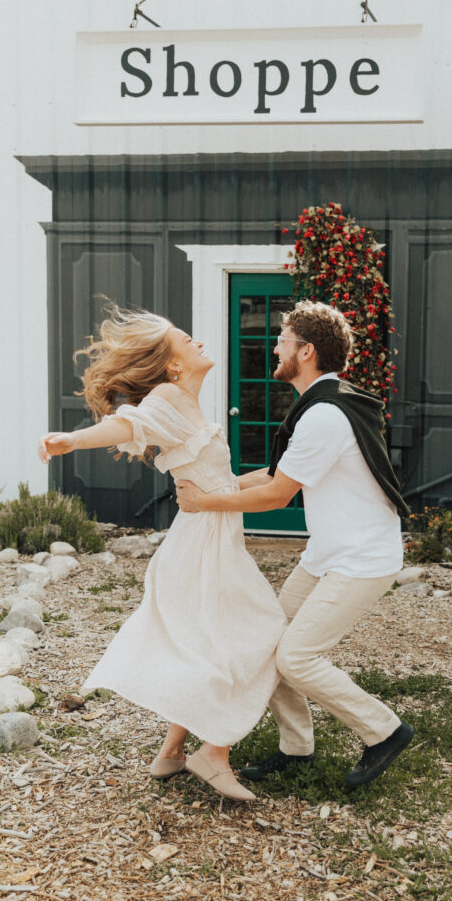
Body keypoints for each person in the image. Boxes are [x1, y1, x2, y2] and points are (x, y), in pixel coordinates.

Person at [38, 304, 286, 802]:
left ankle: (172, 751)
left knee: (207, 643)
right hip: (201, 549)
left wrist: (281, 476)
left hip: (212, 542)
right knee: (257, 635)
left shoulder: (191, 407)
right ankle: (213, 754)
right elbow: (126, 426)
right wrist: (71, 440)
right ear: (173, 366)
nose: (197, 342)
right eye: (186, 340)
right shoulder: (169, 398)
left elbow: (221, 484)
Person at [176, 299, 414, 789]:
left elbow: (280, 493)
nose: (275, 347)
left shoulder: (325, 416)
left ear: (306, 351)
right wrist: (215, 483)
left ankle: (384, 730)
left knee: (297, 657)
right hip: (330, 554)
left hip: (363, 560)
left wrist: (205, 503)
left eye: (283, 340)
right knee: (269, 640)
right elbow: (276, 473)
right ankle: (297, 746)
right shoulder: (322, 406)